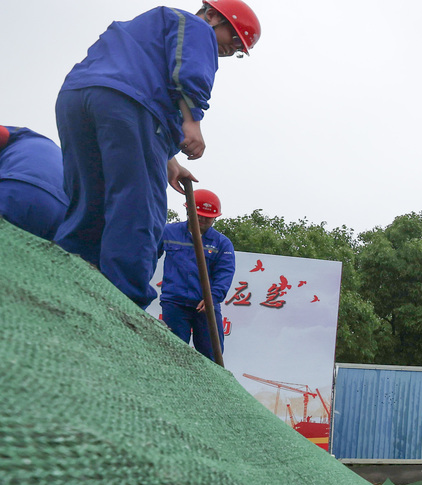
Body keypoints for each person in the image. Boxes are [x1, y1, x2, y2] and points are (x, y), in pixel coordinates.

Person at [52, 0, 259, 309]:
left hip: (76, 98)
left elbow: (132, 83)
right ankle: (124, 304)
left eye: (240, 50)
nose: (232, 50)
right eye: (233, 40)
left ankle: (65, 284)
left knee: (88, 200)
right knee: (138, 208)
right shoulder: (197, 26)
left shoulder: (148, 27)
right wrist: (192, 121)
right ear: (213, 15)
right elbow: (185, 74)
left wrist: (168, 160)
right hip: (129, 106)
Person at [159, 189, 235, 359]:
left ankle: (214, 385)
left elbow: (225, 274)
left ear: (216, 218)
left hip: (206, 306)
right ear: (188, 210)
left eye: (207, 217)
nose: (201, 220)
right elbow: (147, 256)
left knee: (212, 357)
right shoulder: (169, 232)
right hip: (174, 303)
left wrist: (212, 298)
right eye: (198, 215)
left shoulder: (222, 244)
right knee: (172, 354)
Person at [0, 125, 68, 240]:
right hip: (65, 212)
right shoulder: (37, 142)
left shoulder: (15, 136)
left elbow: (2, 134)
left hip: (20, 190)